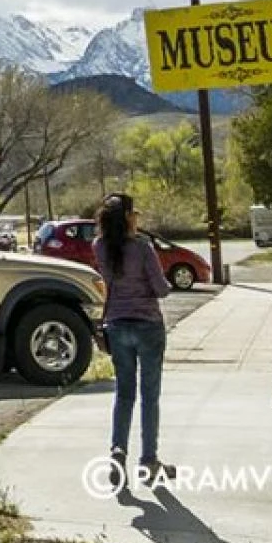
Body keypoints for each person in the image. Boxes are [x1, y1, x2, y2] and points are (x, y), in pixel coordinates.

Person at [96, 192, 175, 486]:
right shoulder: (142, 249)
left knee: (124, 393)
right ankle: (149, 459)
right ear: (129, 218)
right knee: (149, 395)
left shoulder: (100, 247)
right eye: (135, 214)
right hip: (147, 325)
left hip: (116, 324)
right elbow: (161, 289)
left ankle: (118, 449)